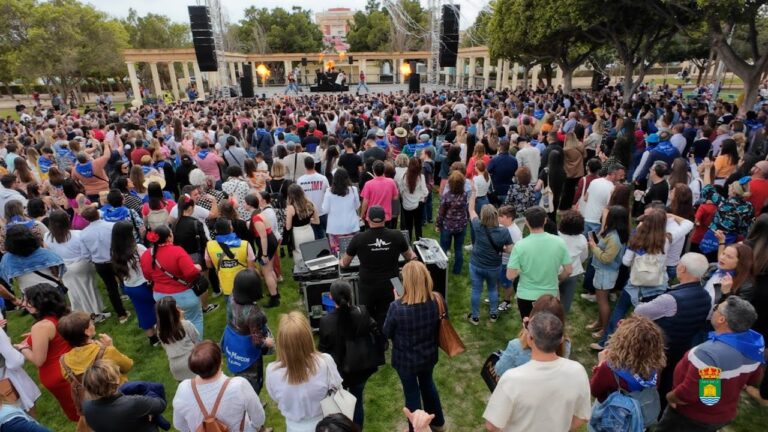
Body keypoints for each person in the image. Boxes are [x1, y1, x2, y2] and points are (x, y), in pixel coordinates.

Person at [657, 297, 765, 431]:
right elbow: (753, 379)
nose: (713, 310)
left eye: (716, 309)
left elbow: (696, 395)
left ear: (722, 320)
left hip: (693, 417)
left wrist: (671, 397)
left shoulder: (709, 355)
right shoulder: (754, 347)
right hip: (723, 413)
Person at [483, 312, 591, 432]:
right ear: (561, 340)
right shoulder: (578, 371)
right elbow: (582, 416)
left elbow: (492, 425)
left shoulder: (512, 379)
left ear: (529, 339)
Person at [634, 252, 712, 411]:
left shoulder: (671, 300)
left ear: (682, 268)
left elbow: (639, 311)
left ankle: (644, 412)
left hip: (658, 349)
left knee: (648, 384)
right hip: (682, 347)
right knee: (667, 383)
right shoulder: (706, 296)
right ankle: (659, 410)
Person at [383, 261, 446, 432]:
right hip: (428, 356)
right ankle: (438, 422)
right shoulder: (437, 299)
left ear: (406, 282)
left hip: (405, 361)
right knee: (428, 385)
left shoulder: (396, 308)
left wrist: (397, 301)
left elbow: (386, 332)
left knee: (411, 393)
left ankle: (416, 429)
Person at [318, 280, 384, 427]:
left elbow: (322, 350)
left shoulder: (325, 321)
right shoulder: (362, 312)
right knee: (357, 401)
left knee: (339, 406)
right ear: (350, 295)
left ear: (330, 296)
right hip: (359, 370)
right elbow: (377, 332)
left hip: (337, 373)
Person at [266, 312, 343, 432]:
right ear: (308, 337)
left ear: (281, 342)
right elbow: (338, 391)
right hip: (325, 424)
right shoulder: (325, 362)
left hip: (294, 427)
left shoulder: (271, 371)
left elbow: (275, 397)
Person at [340, 206, 416, 326]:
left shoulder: (358, 238)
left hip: (367, 284)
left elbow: (345, 263)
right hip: (394, 282)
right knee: (394, 312)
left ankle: (372, 337)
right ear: (385, 219)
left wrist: (340, 260)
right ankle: (388, 334)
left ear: (367, 219)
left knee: (367, 315)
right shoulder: (397, 235)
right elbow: (409, 256)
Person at [589, 315, 666, 430]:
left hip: (607, 417)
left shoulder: (610, 368)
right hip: (637, 420)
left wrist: (600, 364)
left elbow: (594, 390)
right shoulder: (656, 367)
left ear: (622, 341)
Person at [57, 311, 134, 425]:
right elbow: (127, 365)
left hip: (95, 406)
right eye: (91, 323)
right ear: (87, 331)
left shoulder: (64, 361)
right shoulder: (106, 351)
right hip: (119, 397)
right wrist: (111, 347)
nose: (93, 323)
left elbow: (71, 379)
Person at [173, 341, 266, 432]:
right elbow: (259, 418)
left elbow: (179, 425)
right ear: (221, 361)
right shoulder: (239, 385)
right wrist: (252, 428)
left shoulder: (183, 388)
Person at [506, 206, 572, 319]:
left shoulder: (520, 245)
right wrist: (558, 278)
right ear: (545, 220)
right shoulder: (559, 242)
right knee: (548, 329)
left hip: (526, 295)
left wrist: (521, 269)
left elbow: (510, 275)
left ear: (526, 222)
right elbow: (569, 270)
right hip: (550, 295)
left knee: (528, 327)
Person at [140, 225, 204, 337]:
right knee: (194, 320)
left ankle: (180, 346)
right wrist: (197, 268)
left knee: (173, 324)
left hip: (161, 298)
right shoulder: (177, 251)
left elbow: (147, 276)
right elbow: (190, 273)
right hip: (184, 296)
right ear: (169, 237)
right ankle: (197, 349)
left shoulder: (146, 254)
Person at [44, 210, 106, 320]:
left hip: (63, 267)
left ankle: (81, 315)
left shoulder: (47, 237)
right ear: (66, 221)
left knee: (74, 293)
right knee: (89, 289)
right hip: (82, 265)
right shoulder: (78, 234)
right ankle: (95, 314)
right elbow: (85, 253)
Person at [495, 295, 572, 377]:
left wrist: (527, 333)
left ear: (533, 316)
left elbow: (500, 370)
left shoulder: (516, 346)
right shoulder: (565, 343)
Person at [81, 359, 167, 432]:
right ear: (116, 381)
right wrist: (146, 389)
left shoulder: (87, 407)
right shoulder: (134, 403)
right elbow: (160, 404)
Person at [223, 270, 273, 394]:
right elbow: (257, 342)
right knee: (253, 385)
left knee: (238, 376)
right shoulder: (254, 313)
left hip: (232, 342)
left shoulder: (231, 298)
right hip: (248, 355)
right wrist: (267, 342)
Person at [467, 189, 512, 325]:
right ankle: (493, 314)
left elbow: (471, 210)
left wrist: (473, 195)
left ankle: (475, 317)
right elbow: (510, 249)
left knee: (476, 290)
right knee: (492, 289)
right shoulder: (504, 231)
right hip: (494, 266)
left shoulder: (477, 225)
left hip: (476, 264)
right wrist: (502, 247)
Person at [80, 207, 131, 324]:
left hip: (101, 263)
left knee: (111, 288)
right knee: (127, 280)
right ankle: (133, 303)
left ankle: (121, 314)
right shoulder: (112, 226)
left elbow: (85, 254)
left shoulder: (84, 234)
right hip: (116, 259)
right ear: (98, 214)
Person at [111, 221, 159, 346]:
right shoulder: (138, 249)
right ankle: (162, 333)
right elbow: (150, 262)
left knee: (142, 311)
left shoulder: (114, 252)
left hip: (129, 286)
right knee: (157, 308)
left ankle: (152, 339)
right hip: (144, 285)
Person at [585, 206, 630, 338]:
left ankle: (605, 330)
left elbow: (606, 258)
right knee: (600, 300)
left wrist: (594, 247)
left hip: (606, 273)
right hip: (603, 272)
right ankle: (599, 322)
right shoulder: (613, 233)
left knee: (603, 301)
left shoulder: (615, 238)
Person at [0, 225, 65, 296]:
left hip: (30, 295)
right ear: (30, 236)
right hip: (52, 289)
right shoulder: (43, 252)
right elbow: (57, 271)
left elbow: (7, 277)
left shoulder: (7, 259)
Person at [244, 194, 280, 307]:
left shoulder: (256, 218)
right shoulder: (260, 213)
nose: (243, 205)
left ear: (249, 204)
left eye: (244, 203)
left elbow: (263, 236)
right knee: (270, 269)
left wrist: (264, 254)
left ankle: (274, 299)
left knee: (267, 272)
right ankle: (275, 292)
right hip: (271, 242)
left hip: (267, 244)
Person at [205, 218, 255, 298]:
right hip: (244, 282)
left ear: (216, 231)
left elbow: (209, 265)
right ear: (231, 228)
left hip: (226, 286)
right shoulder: (244, 244)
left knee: (231, 307)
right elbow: (251, 268)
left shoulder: (209, 245)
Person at [155, 296, 200, 382]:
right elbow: (196, 341)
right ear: (175, 311)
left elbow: (165, 347)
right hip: (192, 361)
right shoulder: (186, 325)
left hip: (175, 366)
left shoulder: (159, 330)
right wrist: (183, 320)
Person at [437, 170, 470, 275]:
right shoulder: (465, 195)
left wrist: (438, 225)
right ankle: (457, 270)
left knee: (443, 248)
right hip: (461, 226)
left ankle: (442, 269)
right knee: (458, 249)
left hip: (448, 226)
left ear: (450, 183)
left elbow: (441, 213)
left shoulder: (446, 196)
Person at [321, 168, 361, 253]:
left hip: (335, 228)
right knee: (353, 252)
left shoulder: (329, 191)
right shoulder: (353, 190)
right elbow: (357, 206)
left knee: (337, 254)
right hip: (351, 226)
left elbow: (325, 209)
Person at [557, 210, 589, 313]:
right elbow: (584, 256)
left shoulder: (556, 237)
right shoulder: (582, 239)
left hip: (555, 271)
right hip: (573, 272)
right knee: (567, 298)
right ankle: (562, 316)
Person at [285, 183, 319, 265]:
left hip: (297, 234)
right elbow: (317, 221)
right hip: (309, 231)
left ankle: (301, 273)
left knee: (299, 255)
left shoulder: (291, 208)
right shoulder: (310, 203)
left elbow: (288, 227)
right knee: (311, 254)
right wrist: (308, 221)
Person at [397, 157, 429, 241]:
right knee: (418, 225)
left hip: (406, 205)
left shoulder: (403, 177)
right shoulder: (421, 177)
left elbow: (400, 191)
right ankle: (419, 244)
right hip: (419, 204)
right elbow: (425, 192)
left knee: (408, 226)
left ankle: (408, 244)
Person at [360, 160, 399, 226]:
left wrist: (362, 214)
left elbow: (365, 202)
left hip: (371, 216)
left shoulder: (368, 184)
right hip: (386, 216)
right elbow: (395, 197)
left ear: (373, 170)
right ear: (384, 170)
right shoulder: (391, 182)